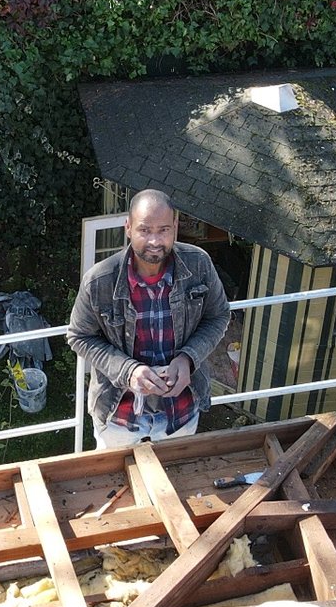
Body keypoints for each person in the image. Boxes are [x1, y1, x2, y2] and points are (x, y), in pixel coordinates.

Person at [68, 189, 231, 447]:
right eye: (145, 230)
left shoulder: (199, 264)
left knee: (174, 481)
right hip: (119, 418)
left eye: (164, 230)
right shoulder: (99, 281)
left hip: (181, 415)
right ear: (128, 228)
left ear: (175, 227)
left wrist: (189, 358)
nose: (155, 241)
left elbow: (219, 315)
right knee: (117, 483)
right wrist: (127, 371)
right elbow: (79, 337)